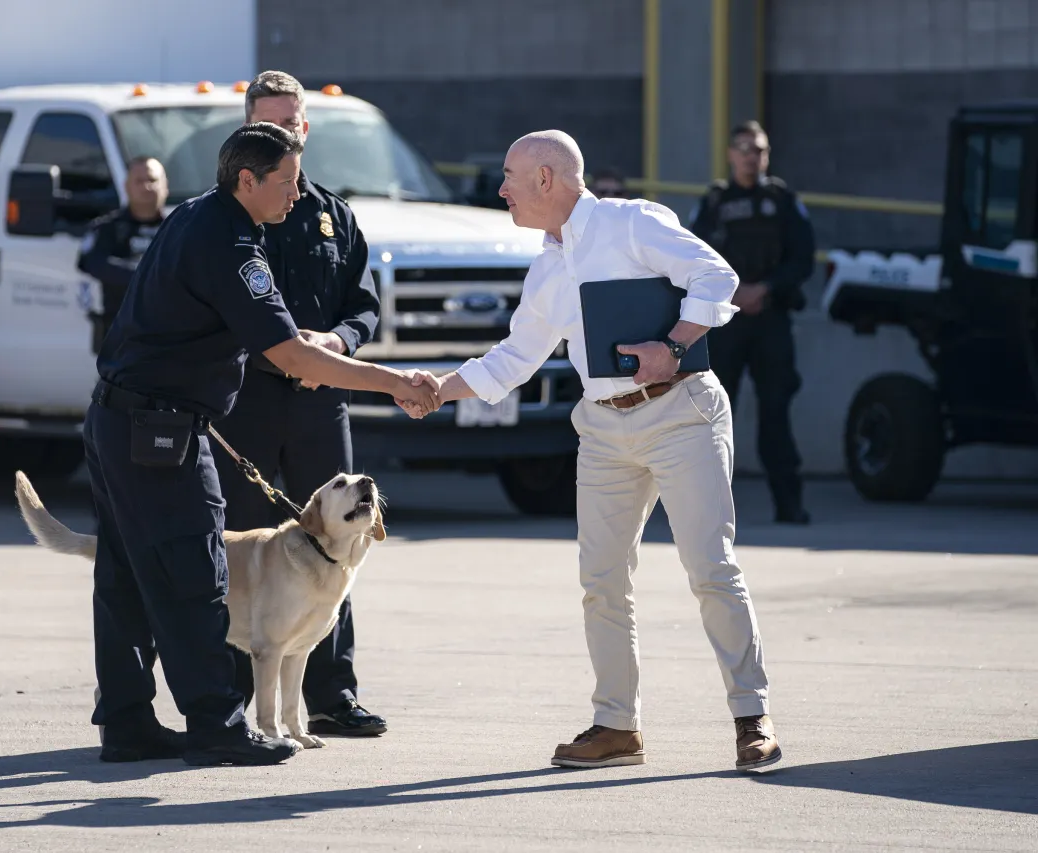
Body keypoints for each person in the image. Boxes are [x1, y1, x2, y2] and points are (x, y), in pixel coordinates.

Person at [410, 130, 780, 772]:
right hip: (604, 429)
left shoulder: (630, 223)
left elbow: (716, 275)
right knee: (602, 582)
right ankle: (617, 727)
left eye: (509, 177)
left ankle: (753, 717)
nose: (500, 191)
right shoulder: (547, 265)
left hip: (681, 412)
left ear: (547, 179)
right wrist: (442, 388)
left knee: (710, 569)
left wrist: (677, 344)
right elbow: (515, 357)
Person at [84, 122, 438, 767]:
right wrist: (394, 382)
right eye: (285, 181)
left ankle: (128, 722)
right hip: (159, 432)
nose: (297, 193)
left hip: (122, 420)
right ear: (246, 180)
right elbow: (292, 354)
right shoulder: (230, 241)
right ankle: (217, 725)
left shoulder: (196, 217)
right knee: (197, 573)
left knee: (127, 577)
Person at [212, 71, 388, 738]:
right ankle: (230, 701)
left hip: (321, 402)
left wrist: (336, 338)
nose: (284, 132)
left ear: (306, 129)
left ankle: (330, 694)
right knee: (239, 551)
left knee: (337, 544)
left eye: (292, 122)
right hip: (246, 400)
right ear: (247, 129)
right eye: (270, 122)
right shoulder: (229, 213)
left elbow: (364, 304)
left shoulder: (334, 215)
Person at [687, 120, 816, 524]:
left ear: (767, 155)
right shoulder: (714, 203)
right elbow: (695, 256)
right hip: (726, 324)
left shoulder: (783, 201)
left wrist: (766, 289)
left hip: (771, 321)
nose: (749, 156)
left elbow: (803, 258)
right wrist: (735, 292)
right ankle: (708, 510)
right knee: (716, 414)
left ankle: (789, 504)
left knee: (776, 411)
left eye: (757, 149)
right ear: (730, 154)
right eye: (742, 148)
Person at [77, 156, 169, 353]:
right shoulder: (107, 228)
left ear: (165, 186)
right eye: (139, 181)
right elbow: (93, 263)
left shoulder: (179, 228)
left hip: (169, 339)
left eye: (152, 180)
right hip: (121, 339)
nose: (146, 187)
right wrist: (145, 275)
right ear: (126, 186)